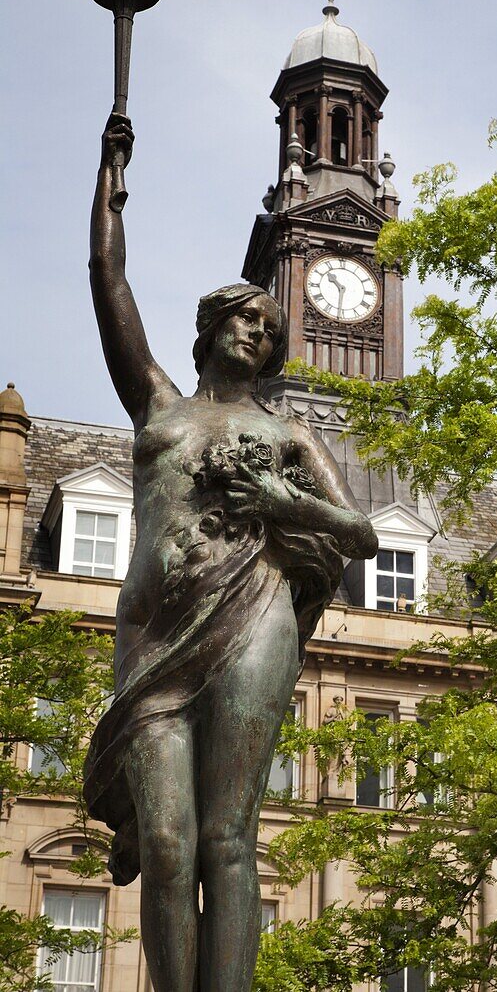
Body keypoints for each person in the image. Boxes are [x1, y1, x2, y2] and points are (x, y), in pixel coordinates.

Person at [83, 113, 378, 992]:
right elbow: (108, 278)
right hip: (153, 637)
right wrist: (110, 178)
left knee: (226, 840)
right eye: (242, 321)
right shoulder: (160, 409)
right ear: (210, 330)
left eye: (266, 327)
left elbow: (357, 531)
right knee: (168, 844)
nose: (255, 332)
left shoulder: (285, 431)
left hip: (252, 620)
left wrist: (284, 500)